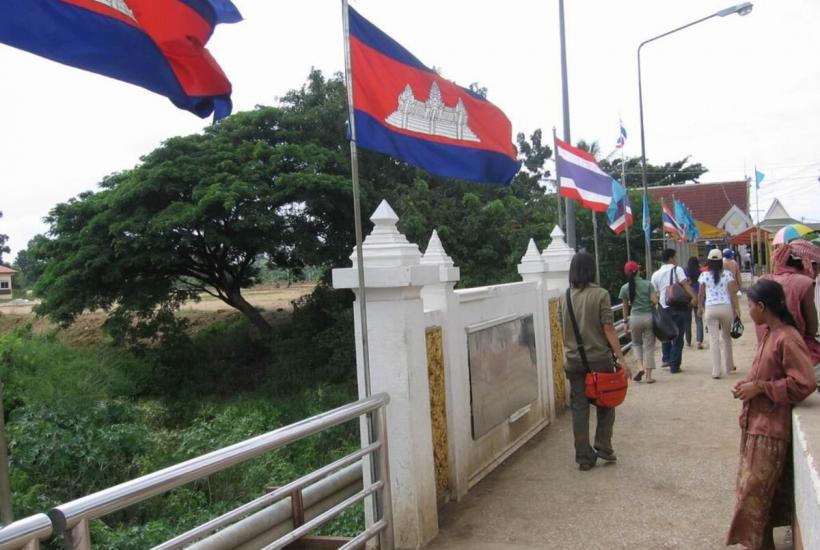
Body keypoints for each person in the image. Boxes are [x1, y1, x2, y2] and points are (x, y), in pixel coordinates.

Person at [726, 280, 816, 549]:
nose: (749, 310)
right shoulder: (770, 334)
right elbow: (767, 373)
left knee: (757, 497)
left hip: (771, 431)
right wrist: (749, 385)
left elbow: (804, 383)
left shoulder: (787, 337)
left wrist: (761, 388)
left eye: (751, 305)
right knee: (756, 498)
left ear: (762, 307)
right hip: (758, 426)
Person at [562, 251, 630, 471]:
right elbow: (608, 328)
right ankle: (603, 446)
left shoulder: (565, 297)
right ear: (592, 270)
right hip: (599, 359)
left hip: (573, 360)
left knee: (579, 408)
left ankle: (583, 456)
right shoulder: (601, 294)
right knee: (605, 402)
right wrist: (621, 358)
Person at [759, 244, 820, 389]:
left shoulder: (764, 281)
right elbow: (812, 326)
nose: (817, 272)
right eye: (817, 266)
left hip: (766, 353)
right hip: (797, 352)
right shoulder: (803, 283)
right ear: (807, 263)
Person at [651, 248, 697, 374]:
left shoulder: (655, 274)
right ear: (671, 258)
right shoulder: (677, 269)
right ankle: (674, 365)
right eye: (675, 257)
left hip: (663, 307)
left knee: (666, 333)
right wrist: (694, 297)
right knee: (678, 337)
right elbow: (685, 285)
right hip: (677, 306)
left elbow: (654, 293)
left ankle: (666, 358)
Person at [698, 249, 741, 379]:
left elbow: (701, 294)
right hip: (725, 307)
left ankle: (716, 371)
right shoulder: (728, 275)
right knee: (727, 338)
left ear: (709, 261)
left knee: (714, 340)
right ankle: (729, 366)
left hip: (710, 309)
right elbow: (733, 293)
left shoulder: (704, 275)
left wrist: (700, 307)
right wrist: (737, 309)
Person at [619, 260, 658, 384]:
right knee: (649, 346)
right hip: (648, 317)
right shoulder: (648, 284)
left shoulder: (624, 288)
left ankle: (640, 367)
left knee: (636, 344)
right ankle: (649, 376)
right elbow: (654, 301)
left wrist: (625, 322)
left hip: (634, 318)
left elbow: (625, 307)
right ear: (638, 271)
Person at [685, 256, 704, 349]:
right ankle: (699, 341)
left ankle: (688, 341)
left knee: (687, 320)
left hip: (688, 297)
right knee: (699, 320)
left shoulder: (685, 271)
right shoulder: (700, 272)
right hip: (698, 297)